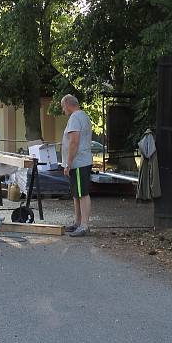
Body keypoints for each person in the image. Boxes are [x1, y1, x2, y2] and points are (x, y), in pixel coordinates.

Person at [60, 94, 93, 237]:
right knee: (76, 194)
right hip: (79, 162)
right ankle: (77, 222)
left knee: (82, 194)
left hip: (78, 162)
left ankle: (84, 225)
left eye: (63, 106)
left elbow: (74, 141)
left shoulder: (75, 117)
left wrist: (68, 163)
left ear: (68, 104)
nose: (63, 110)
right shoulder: (83, 115)